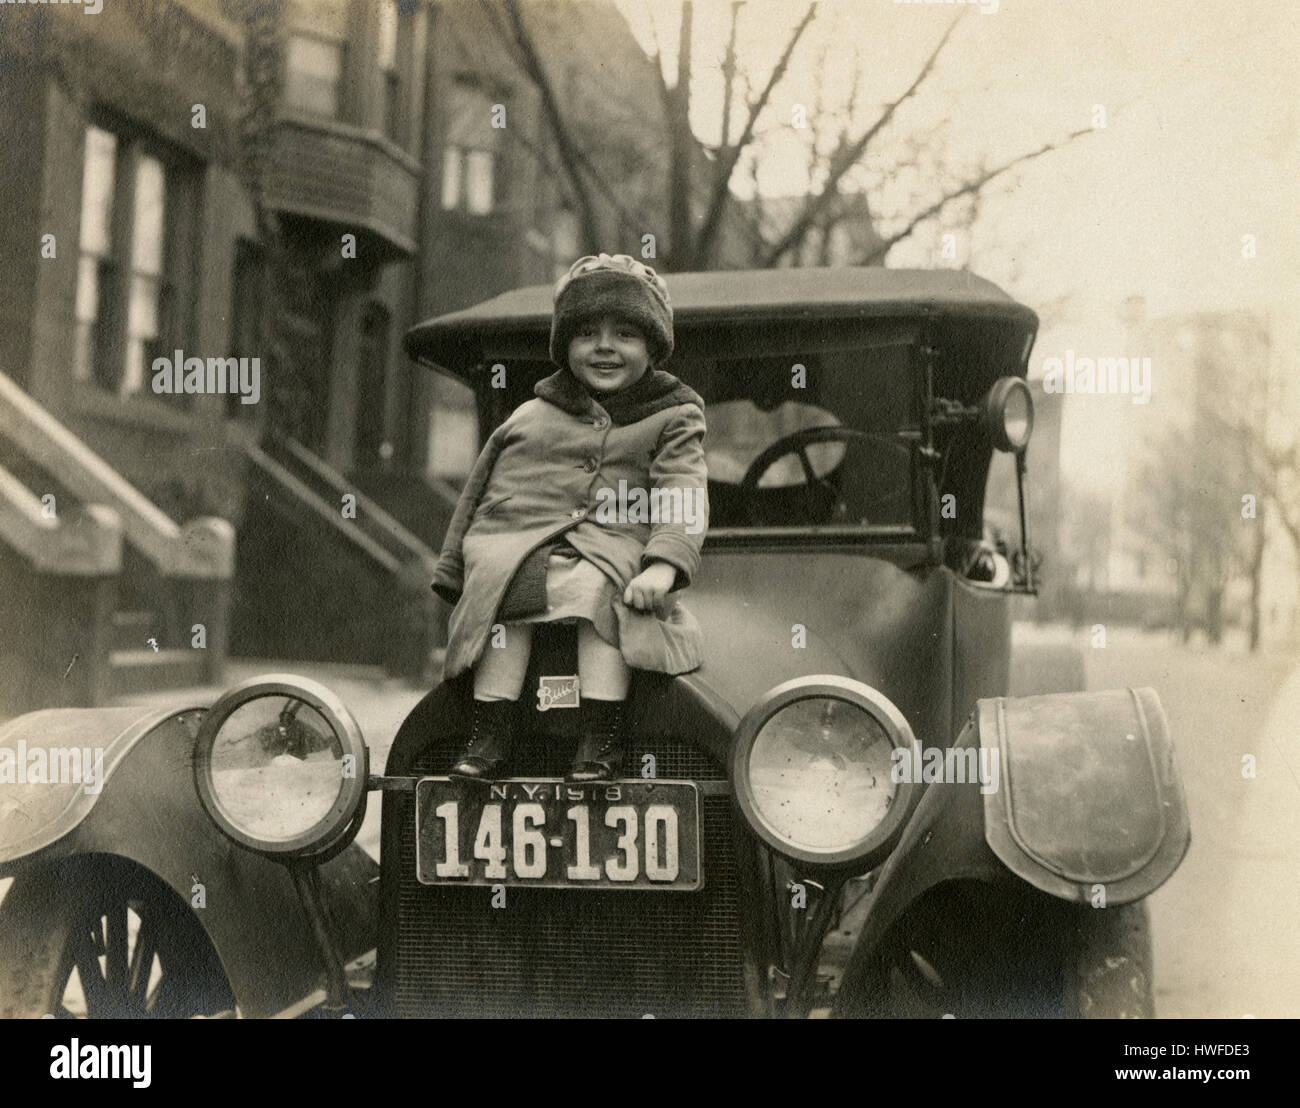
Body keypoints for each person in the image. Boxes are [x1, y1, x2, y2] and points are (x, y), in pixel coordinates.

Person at [430, 254, 708, 782]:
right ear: (565, 348)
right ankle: (488, 733)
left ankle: (600, 734)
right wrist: (458, 567)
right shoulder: (534, 413)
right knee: (503, 594)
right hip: (523, 540)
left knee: (600, 591)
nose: (604, 347)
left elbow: (682, 488)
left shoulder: (674, 414)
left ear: (652, 346)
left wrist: (663, 566)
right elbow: (485, 485)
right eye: (586, 335)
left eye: (625, 333)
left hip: (618, 542)